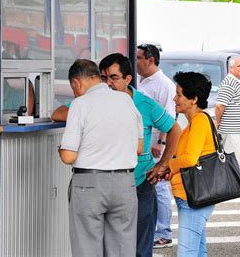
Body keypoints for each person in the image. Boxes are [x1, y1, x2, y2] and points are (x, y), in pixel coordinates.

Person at [58, 59, 144, 257]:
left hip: (89, 184)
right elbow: (139, 148)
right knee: (122, 250)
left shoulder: (80, 104)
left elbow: (69, 156)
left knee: (87, 248)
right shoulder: (126, 100)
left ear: (76, 83)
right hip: (125, 183)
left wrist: (61, 150)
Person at [98, 53, 181, 257]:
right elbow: (63, 112)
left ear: (127, 79)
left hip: (140, 184)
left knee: (141, 247)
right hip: (107, 185)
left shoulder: (144, 104)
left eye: (113, 77)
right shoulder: (95, 102)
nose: (107, 83)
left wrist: (163, 163)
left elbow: (175, 130)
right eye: (103, 78)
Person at [166, 71, 215, 256]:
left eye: (179, 94)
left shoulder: (200, 122)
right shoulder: (194, 122)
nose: (174, 98)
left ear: (193, 99)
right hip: (191, 195)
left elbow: (189, 159)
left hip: (193, 196)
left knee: (186, 252)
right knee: (198, 251)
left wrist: (168, 166)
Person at [137, 43, 176, 248]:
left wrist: (161, 142)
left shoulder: (163, 84)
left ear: (150, 60)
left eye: (138, 58)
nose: (136, 62)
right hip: (142, 146)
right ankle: (152, 229)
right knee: (148, 186)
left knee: (159, 186)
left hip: (154, 145)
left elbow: (169, 117)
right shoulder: (140, 81)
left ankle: (163, 232)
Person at [215, 57, 240, 169]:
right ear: (231, 68)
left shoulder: (236, 82)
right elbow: (220, 105)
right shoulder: (229, 82)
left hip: (238, 130)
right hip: (231, 131)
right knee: (232, 163)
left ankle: (236, 186)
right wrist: (218, 123)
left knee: (238, 161)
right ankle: (232, 186)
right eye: (238, 66)